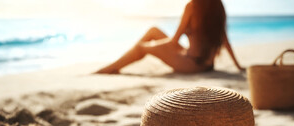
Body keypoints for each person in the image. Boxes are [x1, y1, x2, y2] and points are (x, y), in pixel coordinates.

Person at [96, 0, 244, 74]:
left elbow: (174, 41)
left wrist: (154, 47)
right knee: (154, 31)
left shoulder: (192, 6)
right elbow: (226, 41)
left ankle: (110, 68)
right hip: (208, 66)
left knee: (142, 47)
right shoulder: (217, 6)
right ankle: (116, 66)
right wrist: (238, 66)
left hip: (192, 64)